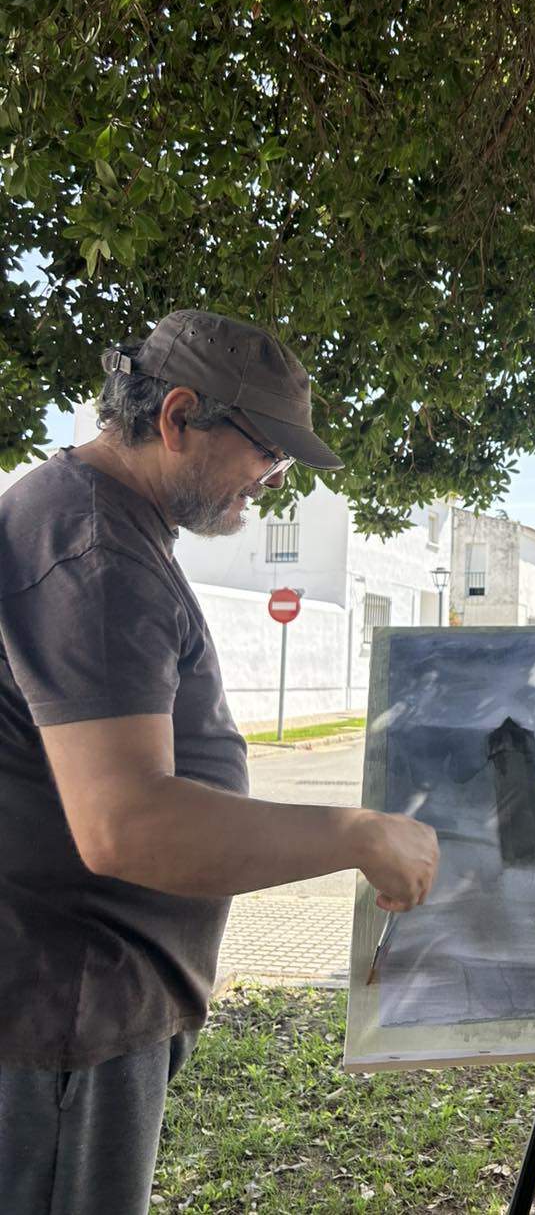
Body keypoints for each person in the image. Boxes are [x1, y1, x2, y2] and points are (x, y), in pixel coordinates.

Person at [0, 309, 439, 1215]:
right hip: (66, 1020)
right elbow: (126, 824)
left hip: (76, 1009)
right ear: (177, 418)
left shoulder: (95, 519)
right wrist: (353, 833)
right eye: (263, 456)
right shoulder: (96, 552)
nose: (269, 486)